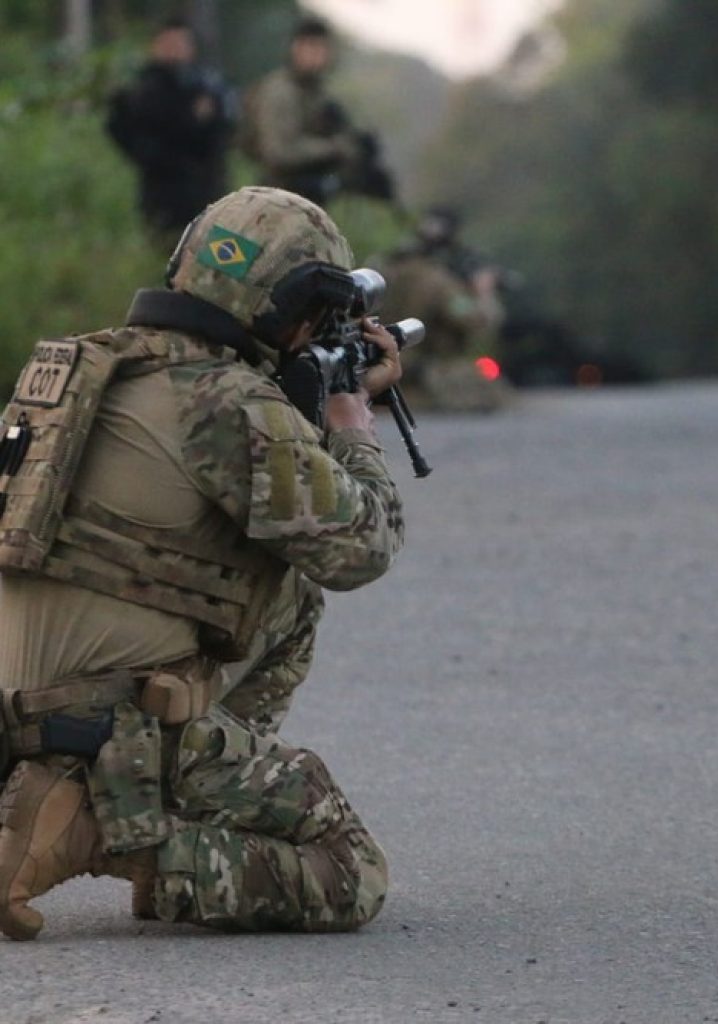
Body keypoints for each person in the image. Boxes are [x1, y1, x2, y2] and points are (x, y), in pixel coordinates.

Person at [0, 186, 404, 940]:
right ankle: (121, 832)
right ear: (296, 310)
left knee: (289, 598)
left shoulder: (76, 371)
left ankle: (81, 790)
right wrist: (351, 427)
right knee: (351, 872)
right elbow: (362, 546)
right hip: (105, 727)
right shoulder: (229, 401)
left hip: (14, 709)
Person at [244, 17, 394, 206]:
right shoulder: (281, 91)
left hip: (304, 199)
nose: (319, 56)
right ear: (296, 48)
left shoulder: (317, 94)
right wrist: (335, 148)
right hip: (275, 198)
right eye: (312, 48)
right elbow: (280, 152)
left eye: (323, 49)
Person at [106, 17, 236, 238]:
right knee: (171, 260)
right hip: (164, 196)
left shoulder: (207, 85)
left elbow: (222, 133)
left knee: (226, 262)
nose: (174, 51)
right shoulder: (141, 91)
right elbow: (122, 129)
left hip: (209, 193)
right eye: (168, 44)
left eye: (180, 44)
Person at [376, 208, 513, 412]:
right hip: (423, 375)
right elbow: (475, 322)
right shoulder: (438, 281)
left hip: (381, 367)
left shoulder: (384, 271)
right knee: (493, 392)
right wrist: (484, 293)